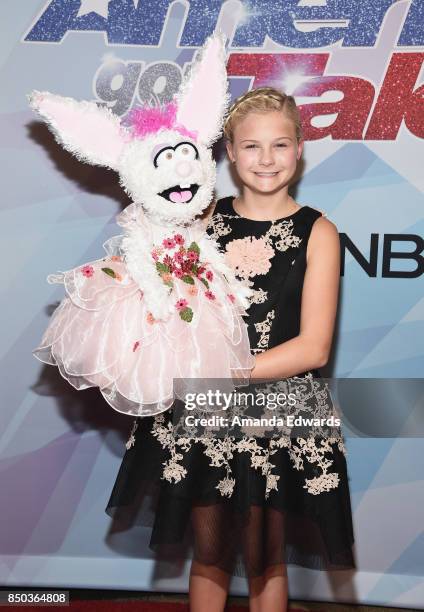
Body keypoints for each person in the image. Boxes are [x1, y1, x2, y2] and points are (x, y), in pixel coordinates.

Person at [105, 87, 355, 611]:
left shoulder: (320, 232)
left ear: (300, 149)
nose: (266, 159)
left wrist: (218, 372)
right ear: (229, 152)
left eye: (280, 145)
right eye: (251, 146)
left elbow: (313, 347)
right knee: (212, 552)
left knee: (266, 559)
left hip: (280, 410)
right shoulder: (199, 222)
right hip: (206, 411)